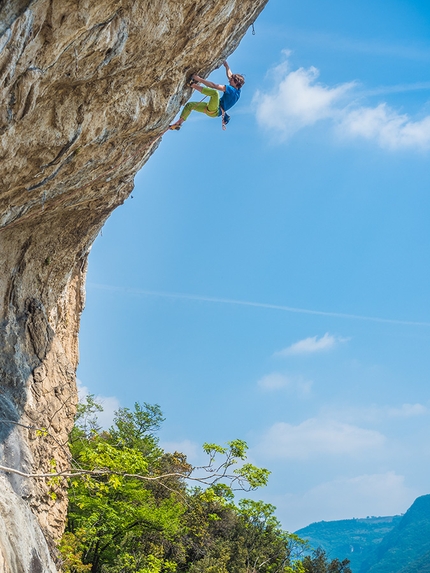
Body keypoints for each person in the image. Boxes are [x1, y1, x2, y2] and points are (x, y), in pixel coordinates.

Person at [169, 61, 245, 130]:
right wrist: (227, 66)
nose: (229, 80)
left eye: (231, 80)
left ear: (236, 83)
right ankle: (179, 123)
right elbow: (230, 76)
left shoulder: (232, 90)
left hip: (216, 110)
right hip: (213, 110)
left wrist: (198, 79)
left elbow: (214, 85)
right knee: (190, 105)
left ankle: (192, 85)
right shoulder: (237, 90)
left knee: (215, 93)